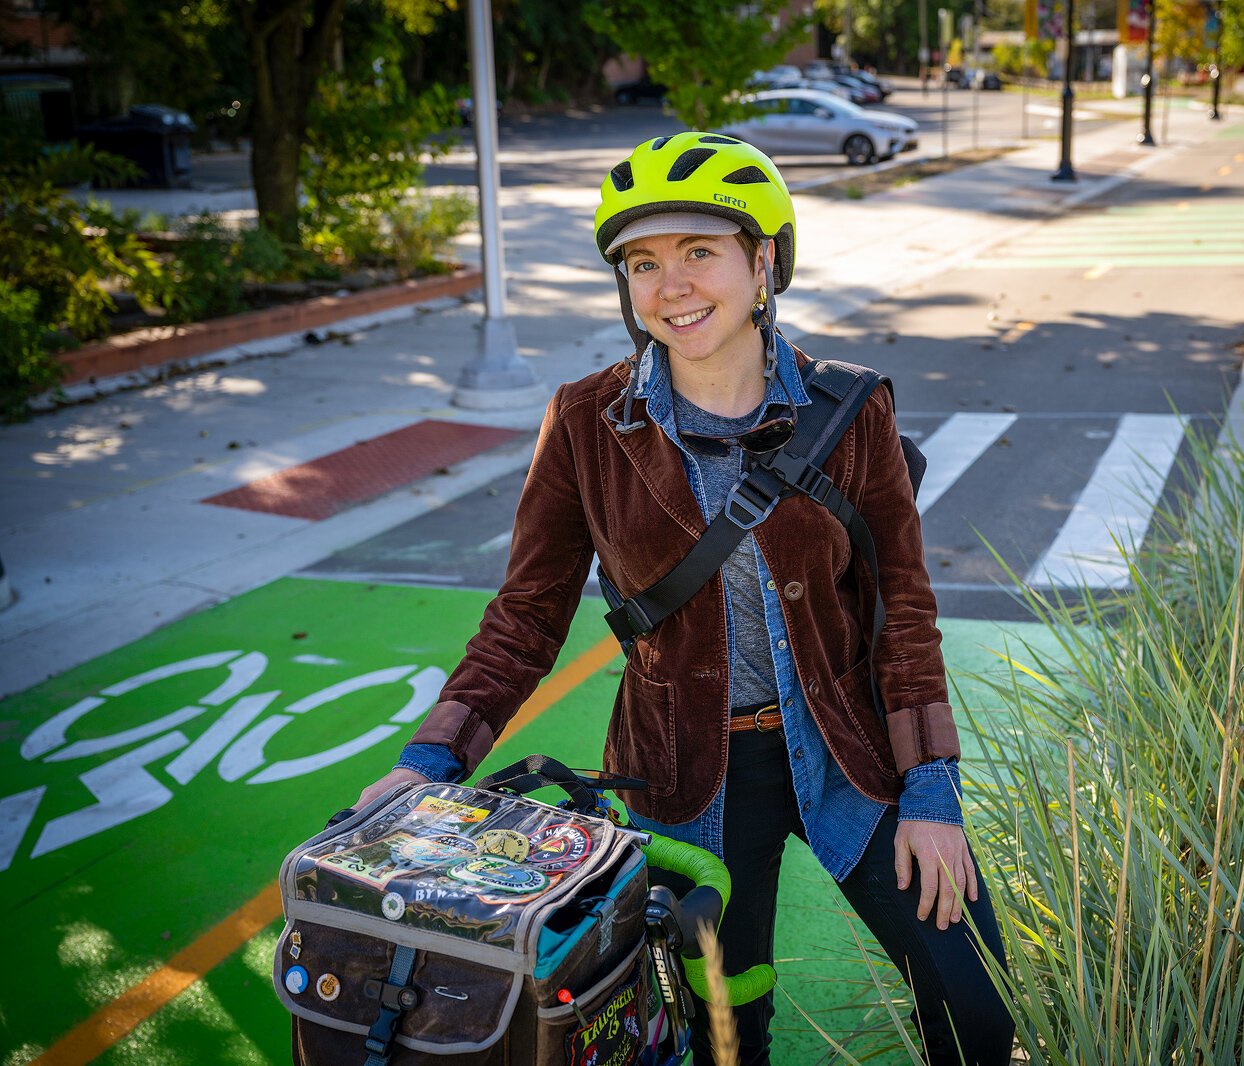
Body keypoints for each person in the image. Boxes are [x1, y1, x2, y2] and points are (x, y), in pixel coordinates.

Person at [355, 132, 1013, 1064]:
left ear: (764, 261)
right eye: (642, 262)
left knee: (975, 1005)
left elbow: (902, 609)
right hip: (683, 771)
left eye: (699, 251)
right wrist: (430, 762)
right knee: (724, 1034)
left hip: (848, 750)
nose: (672, 286)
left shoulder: (852, 409)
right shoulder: (588, 422)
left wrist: (934, 791)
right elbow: (526, 616)